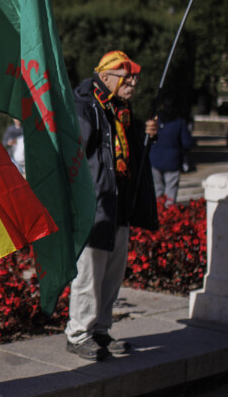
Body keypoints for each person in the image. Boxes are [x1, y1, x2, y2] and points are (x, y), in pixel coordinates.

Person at [65, 51, 158, 361]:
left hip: (119, 202)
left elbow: (128, 153)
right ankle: (79, 334)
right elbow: (77, 154)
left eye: (134, 77)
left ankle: (101, 330)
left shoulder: (122, 109)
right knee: (89, 273)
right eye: (126, 76)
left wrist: (146, 138)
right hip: (96, 203)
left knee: (113, 273)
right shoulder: (85, 105)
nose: (133, 82)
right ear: (105, 77)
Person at [148, 100, 194, 206]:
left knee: (157, 190)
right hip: (173, 160)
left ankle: (159, 212)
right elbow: (186, 143)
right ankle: (169, 215)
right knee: (170, 192)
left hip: (155, 159)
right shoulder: (179, 122)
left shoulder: (155, 121)